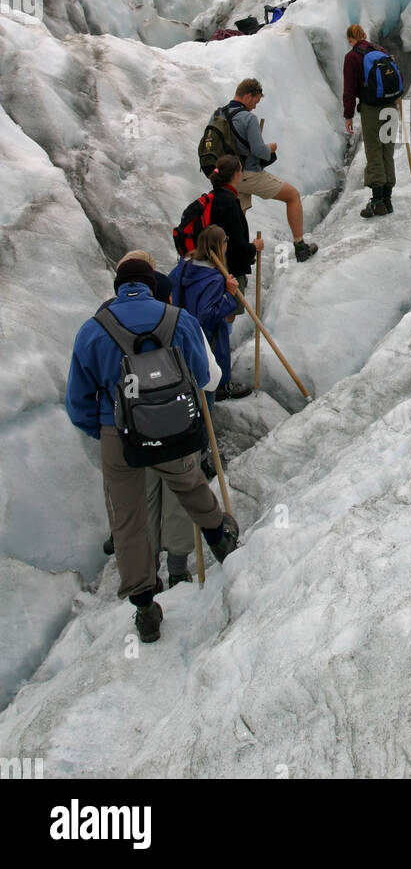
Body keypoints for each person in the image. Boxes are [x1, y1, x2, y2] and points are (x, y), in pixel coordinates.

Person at [66, 254, 240, 644]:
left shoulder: (92, 331)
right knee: (192, 486)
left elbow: (78, 402)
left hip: (119, 437)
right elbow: (202, 375)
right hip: (175, 427)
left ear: (118, 288)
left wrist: (107, 431)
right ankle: (225, 545)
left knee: (128, 519)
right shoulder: (179, 319)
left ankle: (145, 607)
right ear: (150, 284)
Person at [222, 77, 317, 263]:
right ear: (249, 96)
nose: (255, 106)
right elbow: (259, 151)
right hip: (248, 174)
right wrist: (271, 148)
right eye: (256, 101)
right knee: (292, 196)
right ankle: (300, 247)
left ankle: (232, 258)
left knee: (237, 216)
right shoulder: (248, 118)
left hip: (228, 177)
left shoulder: (219, 114)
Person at [169, 225, 249, 402]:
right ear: (221, 245)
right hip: (205, 334)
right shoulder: (214, 278)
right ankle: (221, 387)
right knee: (213, 359)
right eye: (225, 241)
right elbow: (207, 315)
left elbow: (170, 285)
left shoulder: (184, 266)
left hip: (181, 324)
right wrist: (229, 295)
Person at [342, 24, 398, 219]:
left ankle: (377, 201)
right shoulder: (380, 50)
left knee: (374, 151)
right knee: (387, 151)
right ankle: (388, 199)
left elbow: (349, 89)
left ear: (350, 39)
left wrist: (348, 115)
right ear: (364, 35)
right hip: (391, 106)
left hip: (372, 109)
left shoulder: (352, 57)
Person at [207, 153, 264, 318]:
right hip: (228, 269)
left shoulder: (214, 196)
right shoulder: (229, 203)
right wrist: (254, 247)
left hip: (214, 265)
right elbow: (235, 244)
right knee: (227, 311)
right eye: (240, 170)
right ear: (234, 175)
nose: (242, 173)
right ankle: (223, 343)